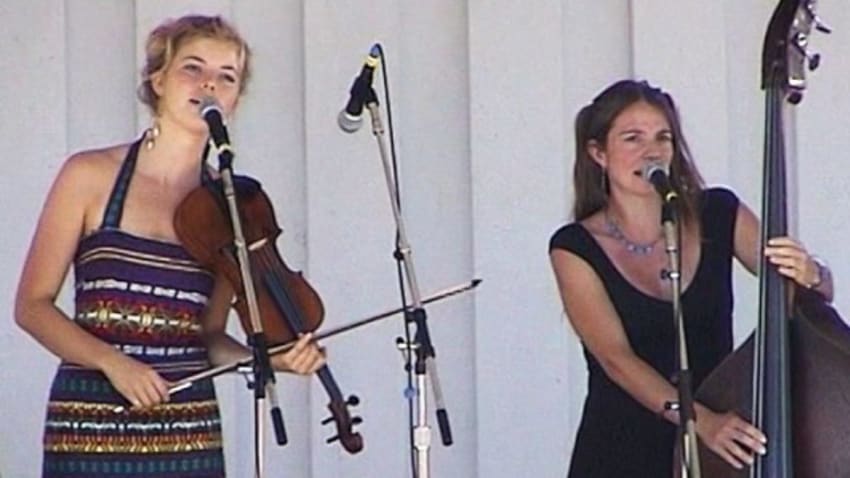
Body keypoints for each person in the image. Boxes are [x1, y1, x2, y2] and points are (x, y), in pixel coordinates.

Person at [14, 14, 325, 478]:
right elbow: (32, 307)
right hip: (90, 422)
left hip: (187, 429)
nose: (209, 85)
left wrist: (267, 358)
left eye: (227, 76)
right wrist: (114, 364)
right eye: (192, 68)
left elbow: (209, 337)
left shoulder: (228, 210)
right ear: (158, 79)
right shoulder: (88, 175)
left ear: (236, 99)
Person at [549, 79, 834, 477]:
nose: (652, 151)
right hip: (624, 445)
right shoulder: (575, 246)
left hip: (721, 436)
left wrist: (813, 274)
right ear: (598, 153)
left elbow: (796, 290)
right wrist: (701, 422)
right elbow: (616, 359)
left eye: (663, 137)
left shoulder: (719, 211)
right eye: (632, 138)